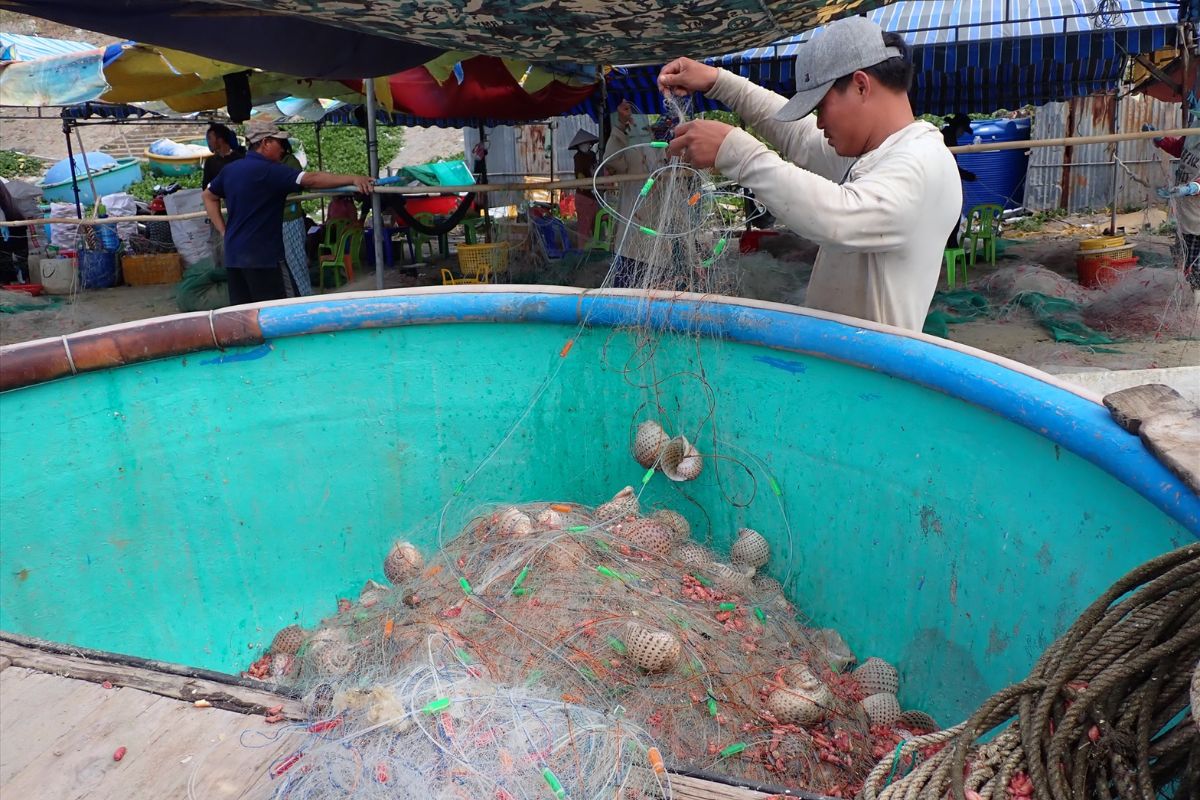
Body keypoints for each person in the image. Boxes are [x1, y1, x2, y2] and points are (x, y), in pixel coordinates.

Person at [658, 16, 962, 331]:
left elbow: (839, 219)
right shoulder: (881, 154)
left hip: (869, 374)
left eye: (820, 107)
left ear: (860, 85)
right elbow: (800, 138)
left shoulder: (920, 162)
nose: (818, 123)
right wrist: (719, 82)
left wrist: (736, 152)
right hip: (844, 362)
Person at [202, 119, 373, 306]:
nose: (283, 149)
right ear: (266, 143)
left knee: (243, 315)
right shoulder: (270, 171)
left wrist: (223, 230)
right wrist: (354, 178)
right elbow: (312, 179)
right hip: (263, 257)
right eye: (279, 143)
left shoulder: (231, 170)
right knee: (274, 311)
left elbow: (208, 196)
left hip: (234, 256)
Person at [603, 99, 669, 287]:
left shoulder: (660, 151)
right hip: (631, 235)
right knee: (627, 290)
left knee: (656, 293)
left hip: (658, 236)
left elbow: (673, 184)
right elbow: (611, 159)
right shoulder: (627, 152)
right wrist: (620, 126)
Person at [1146, 96, 1200, 289]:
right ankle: (1192, 296)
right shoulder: (1194, 131)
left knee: (1196, 267)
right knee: (1185, 258)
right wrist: (1160, 140)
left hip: (1197, 211)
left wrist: (1192, 187)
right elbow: (1181, 148)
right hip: (1187, 211)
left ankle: (1195, 305)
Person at [568, 129, 600, 248]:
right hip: (584, 196)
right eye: (583, 144)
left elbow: (596, 170)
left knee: (596, 224)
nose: (586, 146)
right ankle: (582, 252)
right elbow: (580, 176)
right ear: (579, 146)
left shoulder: (592, 155)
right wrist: (586, 183)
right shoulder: (578, 157)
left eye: (587, 144)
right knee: (584, 227)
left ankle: (594, 248)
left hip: (594, 195)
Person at [201, 123, 244, 190]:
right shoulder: (210, 162)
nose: (208, 142)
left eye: (210, 138)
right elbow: (205, 187)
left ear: (220, 139)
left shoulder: (240, 159)